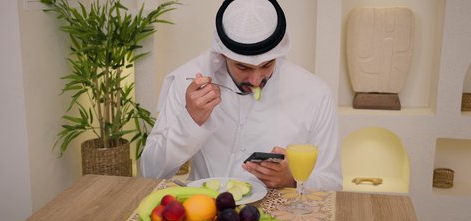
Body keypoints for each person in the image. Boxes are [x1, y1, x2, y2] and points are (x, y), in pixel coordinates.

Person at [140, 0, 342, 190]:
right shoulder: (190, 83)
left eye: (266, 65)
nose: (255, 80)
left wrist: (292, 179)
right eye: (243, 67)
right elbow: (149, 173)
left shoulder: (314, 93)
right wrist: (190, 120)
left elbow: (333, 184)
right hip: (205, 215)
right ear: (222, 54)